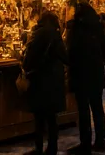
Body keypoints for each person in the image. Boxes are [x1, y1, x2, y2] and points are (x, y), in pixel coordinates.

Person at [65, 3, 105, 154]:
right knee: (97, 108)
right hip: (95, 74)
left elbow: (70, 52)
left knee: (84, 110)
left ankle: (85, 143)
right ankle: (100, 141)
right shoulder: (99, 28)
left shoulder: (76, 29)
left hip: (81, 73)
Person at [23, 12, 68, 155]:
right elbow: (65, 57)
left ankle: (38, 147)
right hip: (53, 81)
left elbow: (28, 58)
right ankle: (52, 147)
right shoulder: (55, 36)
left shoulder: (36, 34)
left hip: (39, 79)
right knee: (52, 118)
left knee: (39, 118)